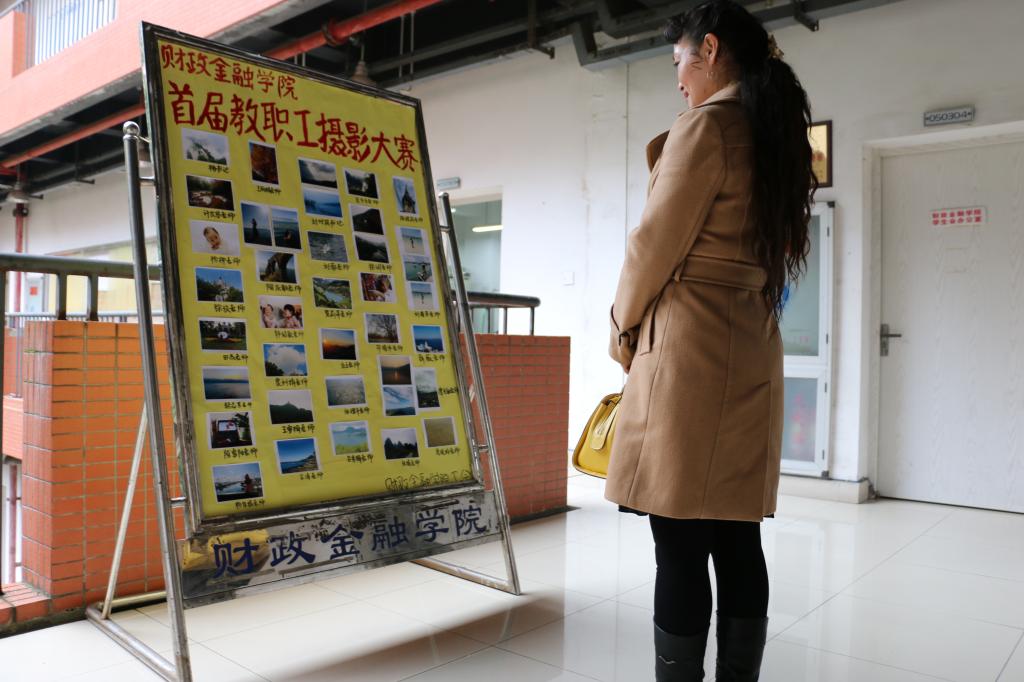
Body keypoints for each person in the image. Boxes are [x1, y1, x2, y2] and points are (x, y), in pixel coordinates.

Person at [604, 2, 815, 680]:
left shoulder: (707, 128)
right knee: (736, 535)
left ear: (711, 50)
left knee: (678, 538)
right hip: (750, 337)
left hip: (690, 345)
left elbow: (653, 245)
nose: (678, 80)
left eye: (680, 62)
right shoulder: (772, 134)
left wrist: (623, 327)